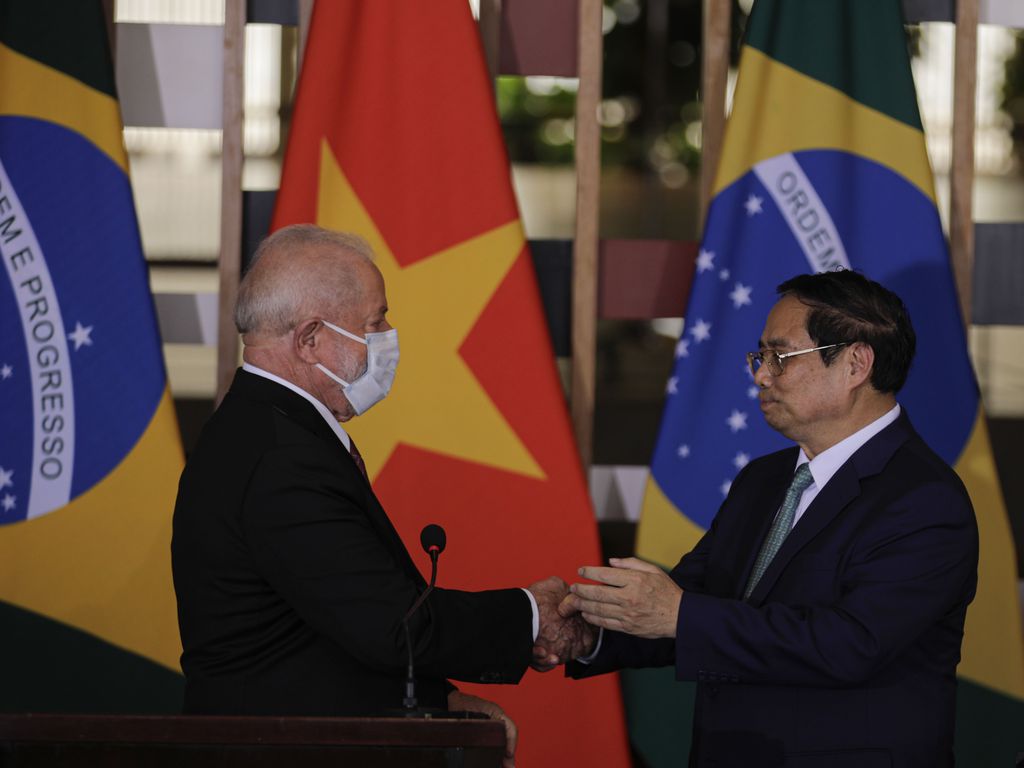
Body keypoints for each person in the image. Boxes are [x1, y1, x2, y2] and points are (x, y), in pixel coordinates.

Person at [171, 225, 587, 765]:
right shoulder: (280, 456)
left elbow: (322, 628)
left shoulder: (269, 430)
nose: (389, 334)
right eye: (375, 321)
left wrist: (441, 700)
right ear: (310, 339)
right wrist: (532, 616)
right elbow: (389, 625)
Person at [561, 270, 979, 767]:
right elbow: (697, 603)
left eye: (779, 357)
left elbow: (849, 644)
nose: (761, 375)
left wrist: (678, 614)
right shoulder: (762, 480)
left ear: (855, 364)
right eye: (760, 357)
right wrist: (588, 630)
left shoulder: (924, 498)